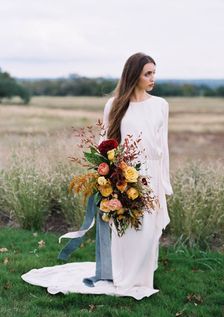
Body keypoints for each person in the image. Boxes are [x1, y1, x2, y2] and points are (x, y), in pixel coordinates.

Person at [21, 52, 173, 300]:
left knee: (148, 230)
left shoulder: (161, 105)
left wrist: (164, 182)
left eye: (154, 73)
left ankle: (141, 278)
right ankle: (124, 277)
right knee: (126, 228)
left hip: (151, 176)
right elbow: (106, 142)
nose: (153, 78)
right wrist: (109, 177)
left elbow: (162, 146)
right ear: (134, 75)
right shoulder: (114, 105)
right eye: (148, 73)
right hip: (126, 175)